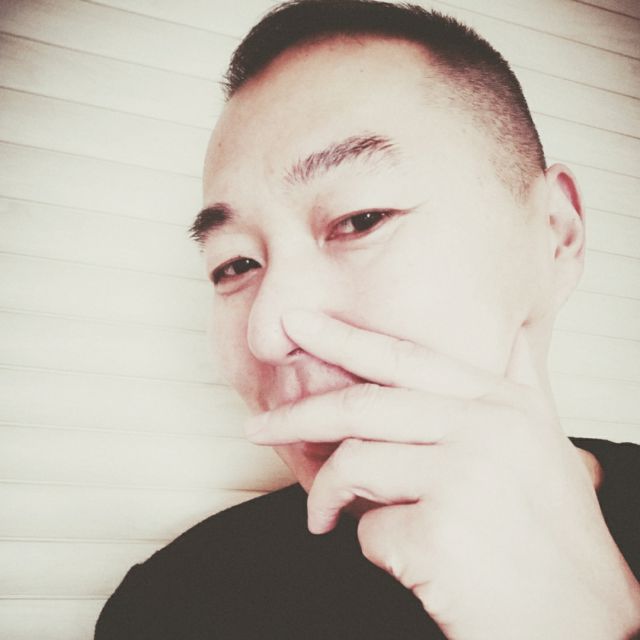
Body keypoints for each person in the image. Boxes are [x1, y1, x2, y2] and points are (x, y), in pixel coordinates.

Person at [95, 1, 640, 638]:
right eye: (235, 265)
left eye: (359, 221)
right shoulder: (174, 607)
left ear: (554, 232)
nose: (267, 333)